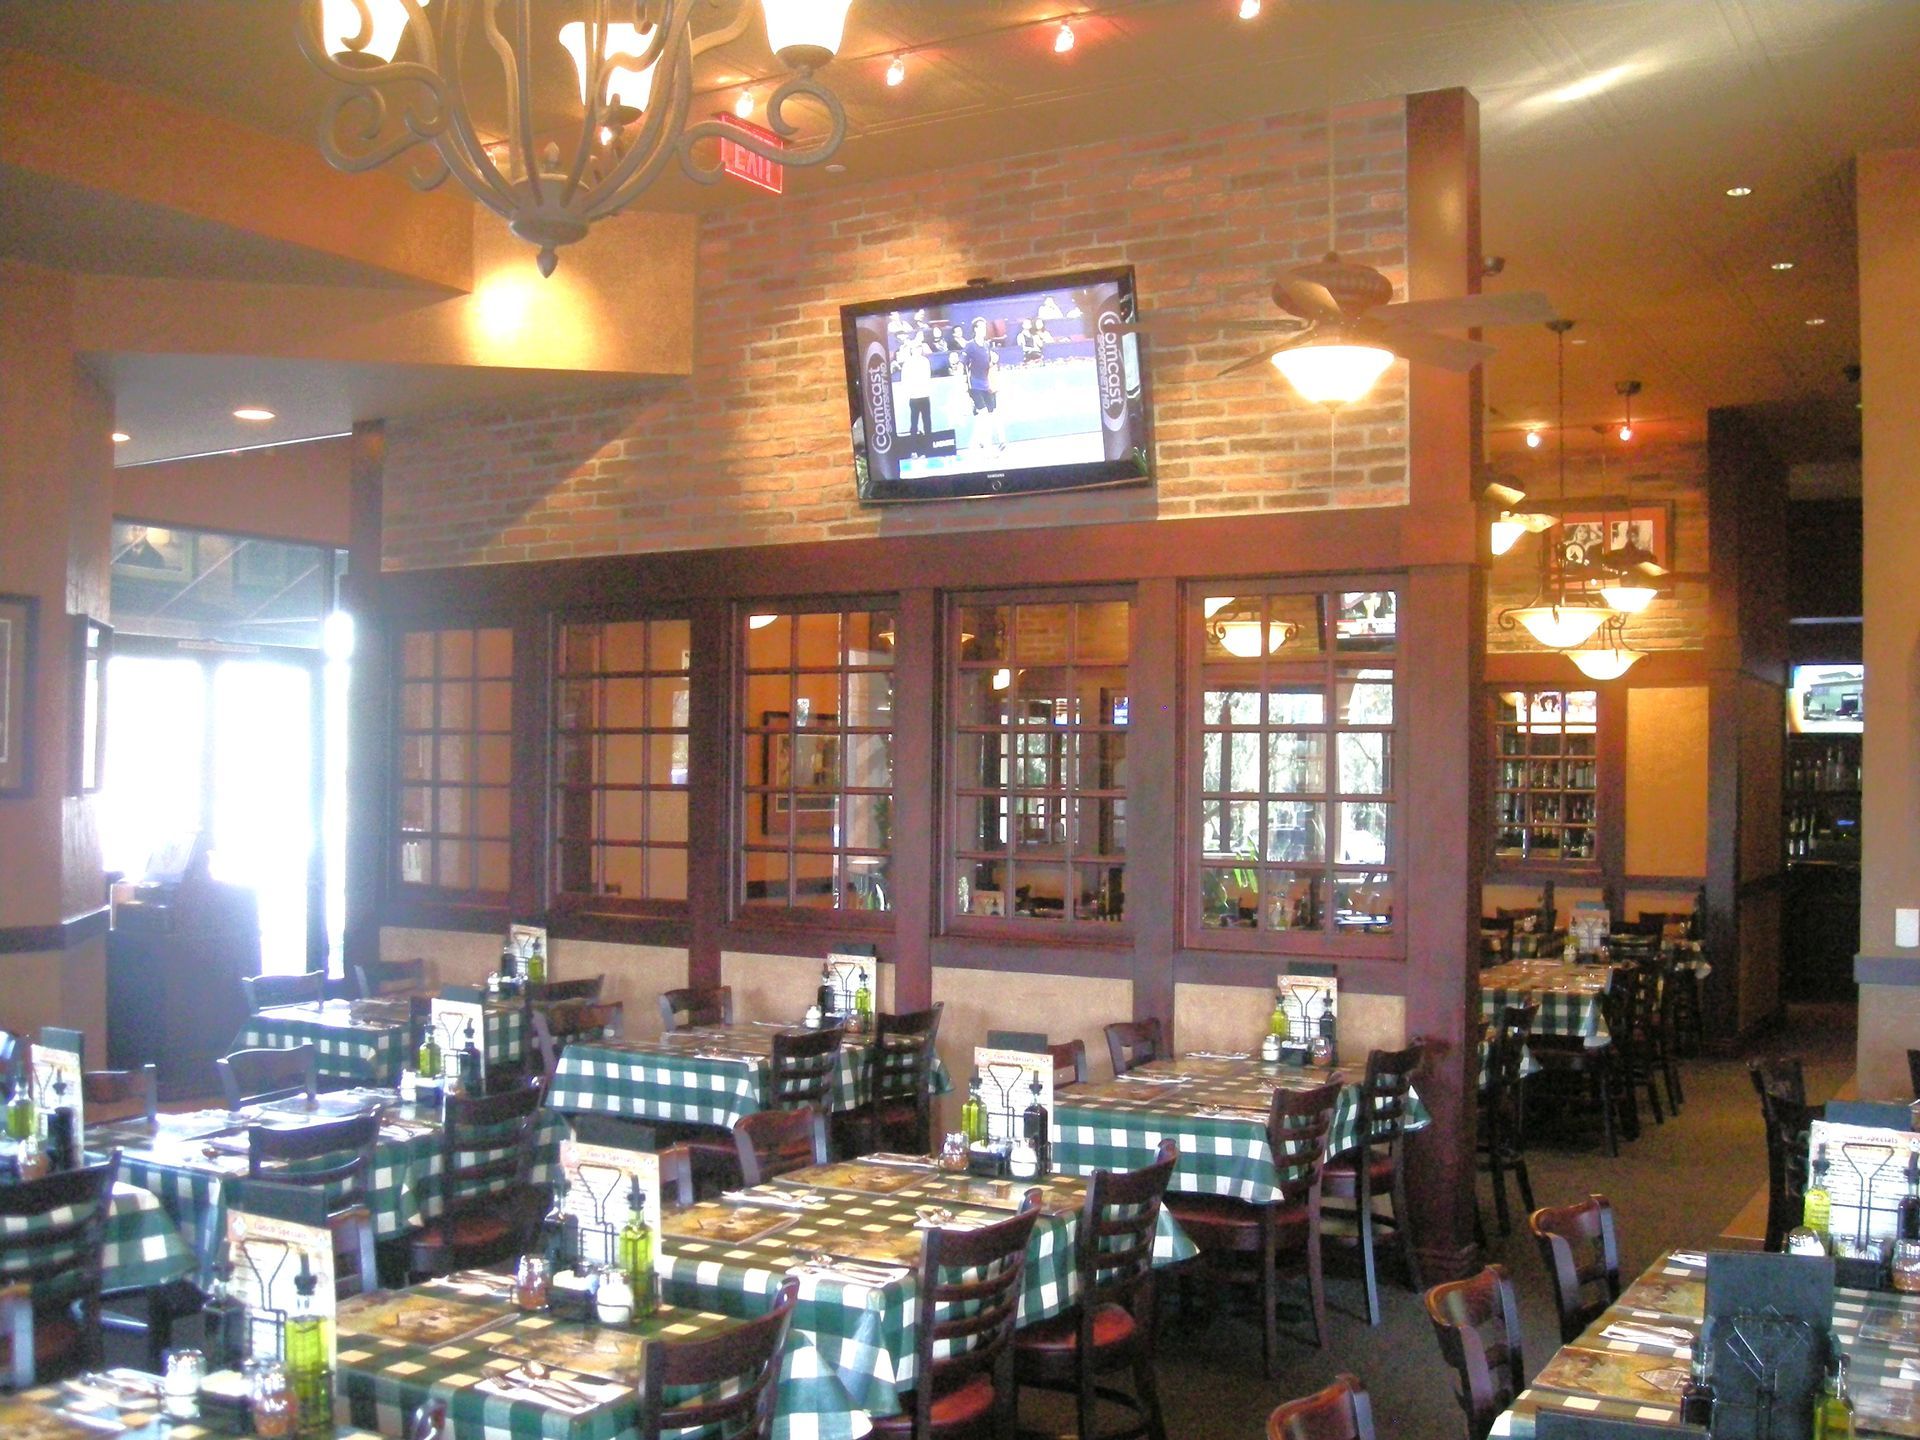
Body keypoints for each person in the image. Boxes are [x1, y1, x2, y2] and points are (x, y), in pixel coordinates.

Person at [962, 318, 1005, 452]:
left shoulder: (987, 345)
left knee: (989, 415)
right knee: (984, 414)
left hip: (986, 385)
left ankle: (978, 443)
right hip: (974, 385)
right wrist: (963, 386)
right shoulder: (969, 346)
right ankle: (987, 447)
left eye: (984, 327)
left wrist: (994, 361)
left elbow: (987, 364)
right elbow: (962, 364)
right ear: (975, 329)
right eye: (981, 327)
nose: (984, 329)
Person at [898, 335, 933, 438]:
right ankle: (913, 441)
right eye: (916, 348)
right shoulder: (908, 363)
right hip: (913, 397)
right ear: (912, 350)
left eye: (919, 348)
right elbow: (904, 379)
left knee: (927, 420)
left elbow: (927, 376)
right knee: (914, 420)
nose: (918, 350)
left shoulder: (925, 361)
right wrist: (909, 392)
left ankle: (929, 440)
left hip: (924, 395)